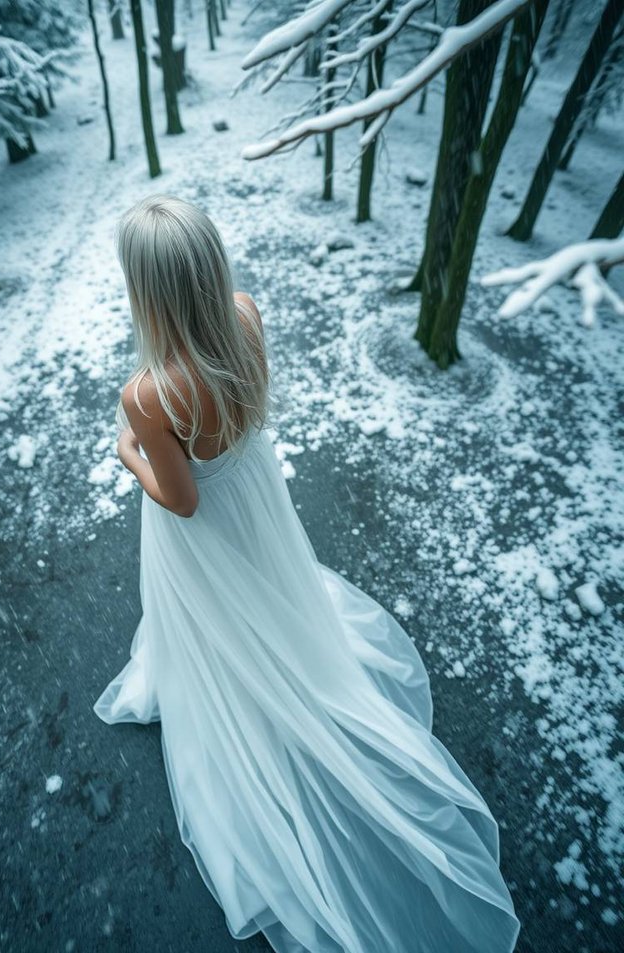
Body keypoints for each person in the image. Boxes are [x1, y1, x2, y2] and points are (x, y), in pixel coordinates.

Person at [93, 194, 521, 953]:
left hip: (207, 526)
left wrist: (129, 451)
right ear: (209, 267)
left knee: (222, 617)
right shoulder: (246, 314)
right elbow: (238, 421)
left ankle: (247, 694)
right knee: (270, 594)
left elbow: (182, 501)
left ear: (145, 289)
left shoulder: (148, 394)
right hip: (255, 495)